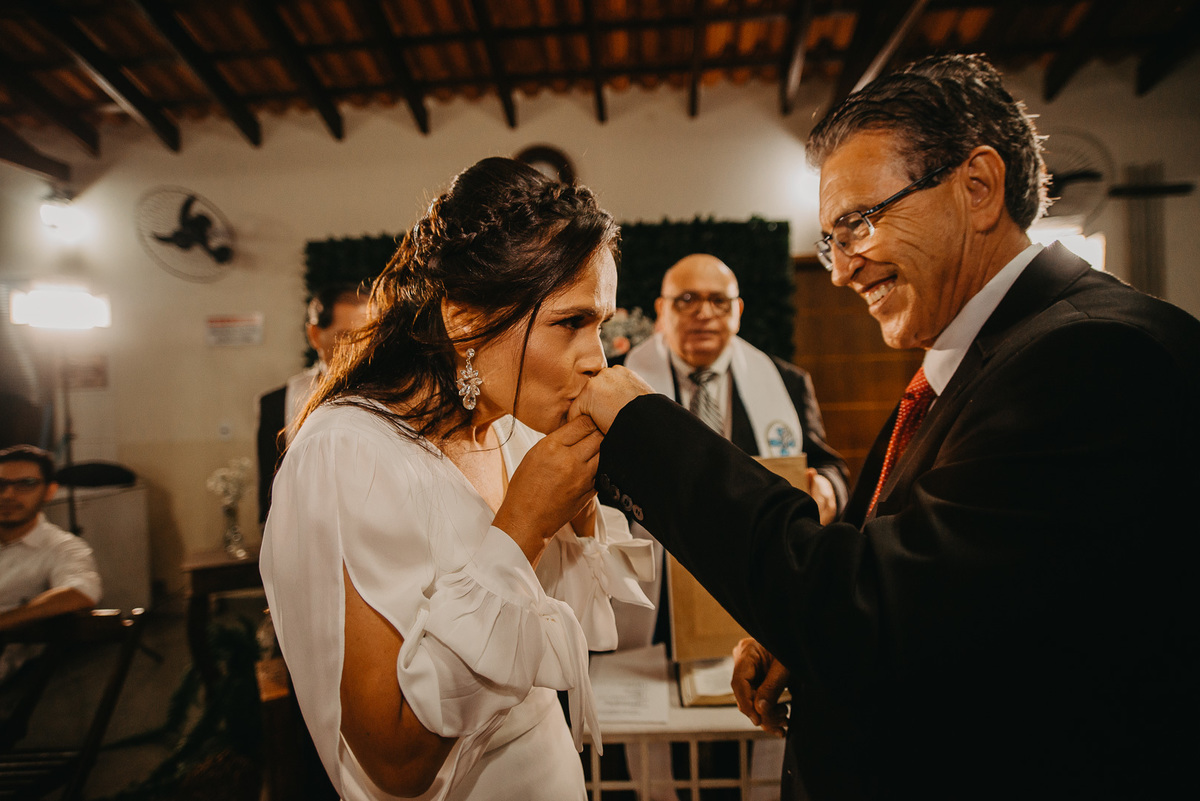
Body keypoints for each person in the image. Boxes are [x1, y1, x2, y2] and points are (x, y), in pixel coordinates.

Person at [562, 54, 1200, 800]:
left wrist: (642, 426)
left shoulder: (1094, 359)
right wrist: (804, 635)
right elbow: (950, 598)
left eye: (859, 223)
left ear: (979, 187)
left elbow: (878, 613)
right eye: (832, 239)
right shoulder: (984, 358)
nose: (839, 270)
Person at [260, 157, 654, 801]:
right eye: (569, 323)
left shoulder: (516, 428)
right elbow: (395, 763)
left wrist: (579, 511)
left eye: (601, 324)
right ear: (465, 319)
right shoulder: (346, 454)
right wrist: (523, 526)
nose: (596, 361)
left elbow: (565, 643)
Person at [256, 284, 370, 522]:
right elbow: (269, 499)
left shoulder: (400, 397)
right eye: (348, 336)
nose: (362, 348)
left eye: (370, 335)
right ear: (315, 335)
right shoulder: (278, 404)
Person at [0, 445, 102, 682]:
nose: (8, 495)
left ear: (49, 491)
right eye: (1, 484)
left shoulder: (62, 547)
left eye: (25, 484)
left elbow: (81, 592)